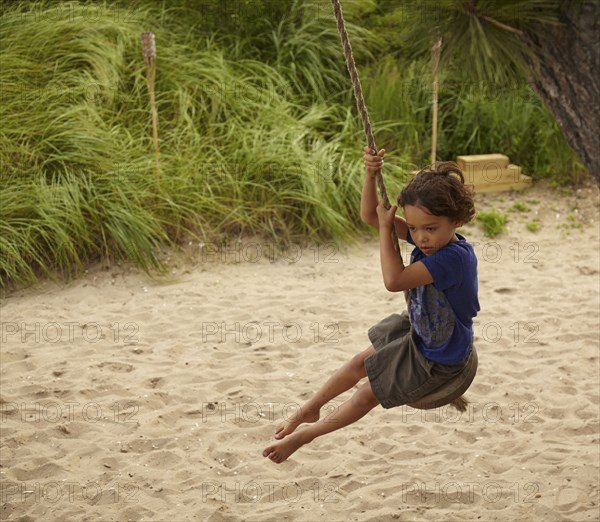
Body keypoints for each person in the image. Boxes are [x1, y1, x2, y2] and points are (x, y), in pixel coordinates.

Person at [263, 147, 479, 464]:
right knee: (358, 363)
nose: (421, 238)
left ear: (456, 221)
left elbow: (394, 280)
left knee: (366, 393)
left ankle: (304, 436)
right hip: (420, 330)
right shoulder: (431, 238)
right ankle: (309, 408)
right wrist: (370, 175)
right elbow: (369, 216)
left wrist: (385, 229)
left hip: (439, 358)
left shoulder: (452, 258)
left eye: (430, 228)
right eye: (414, 228)